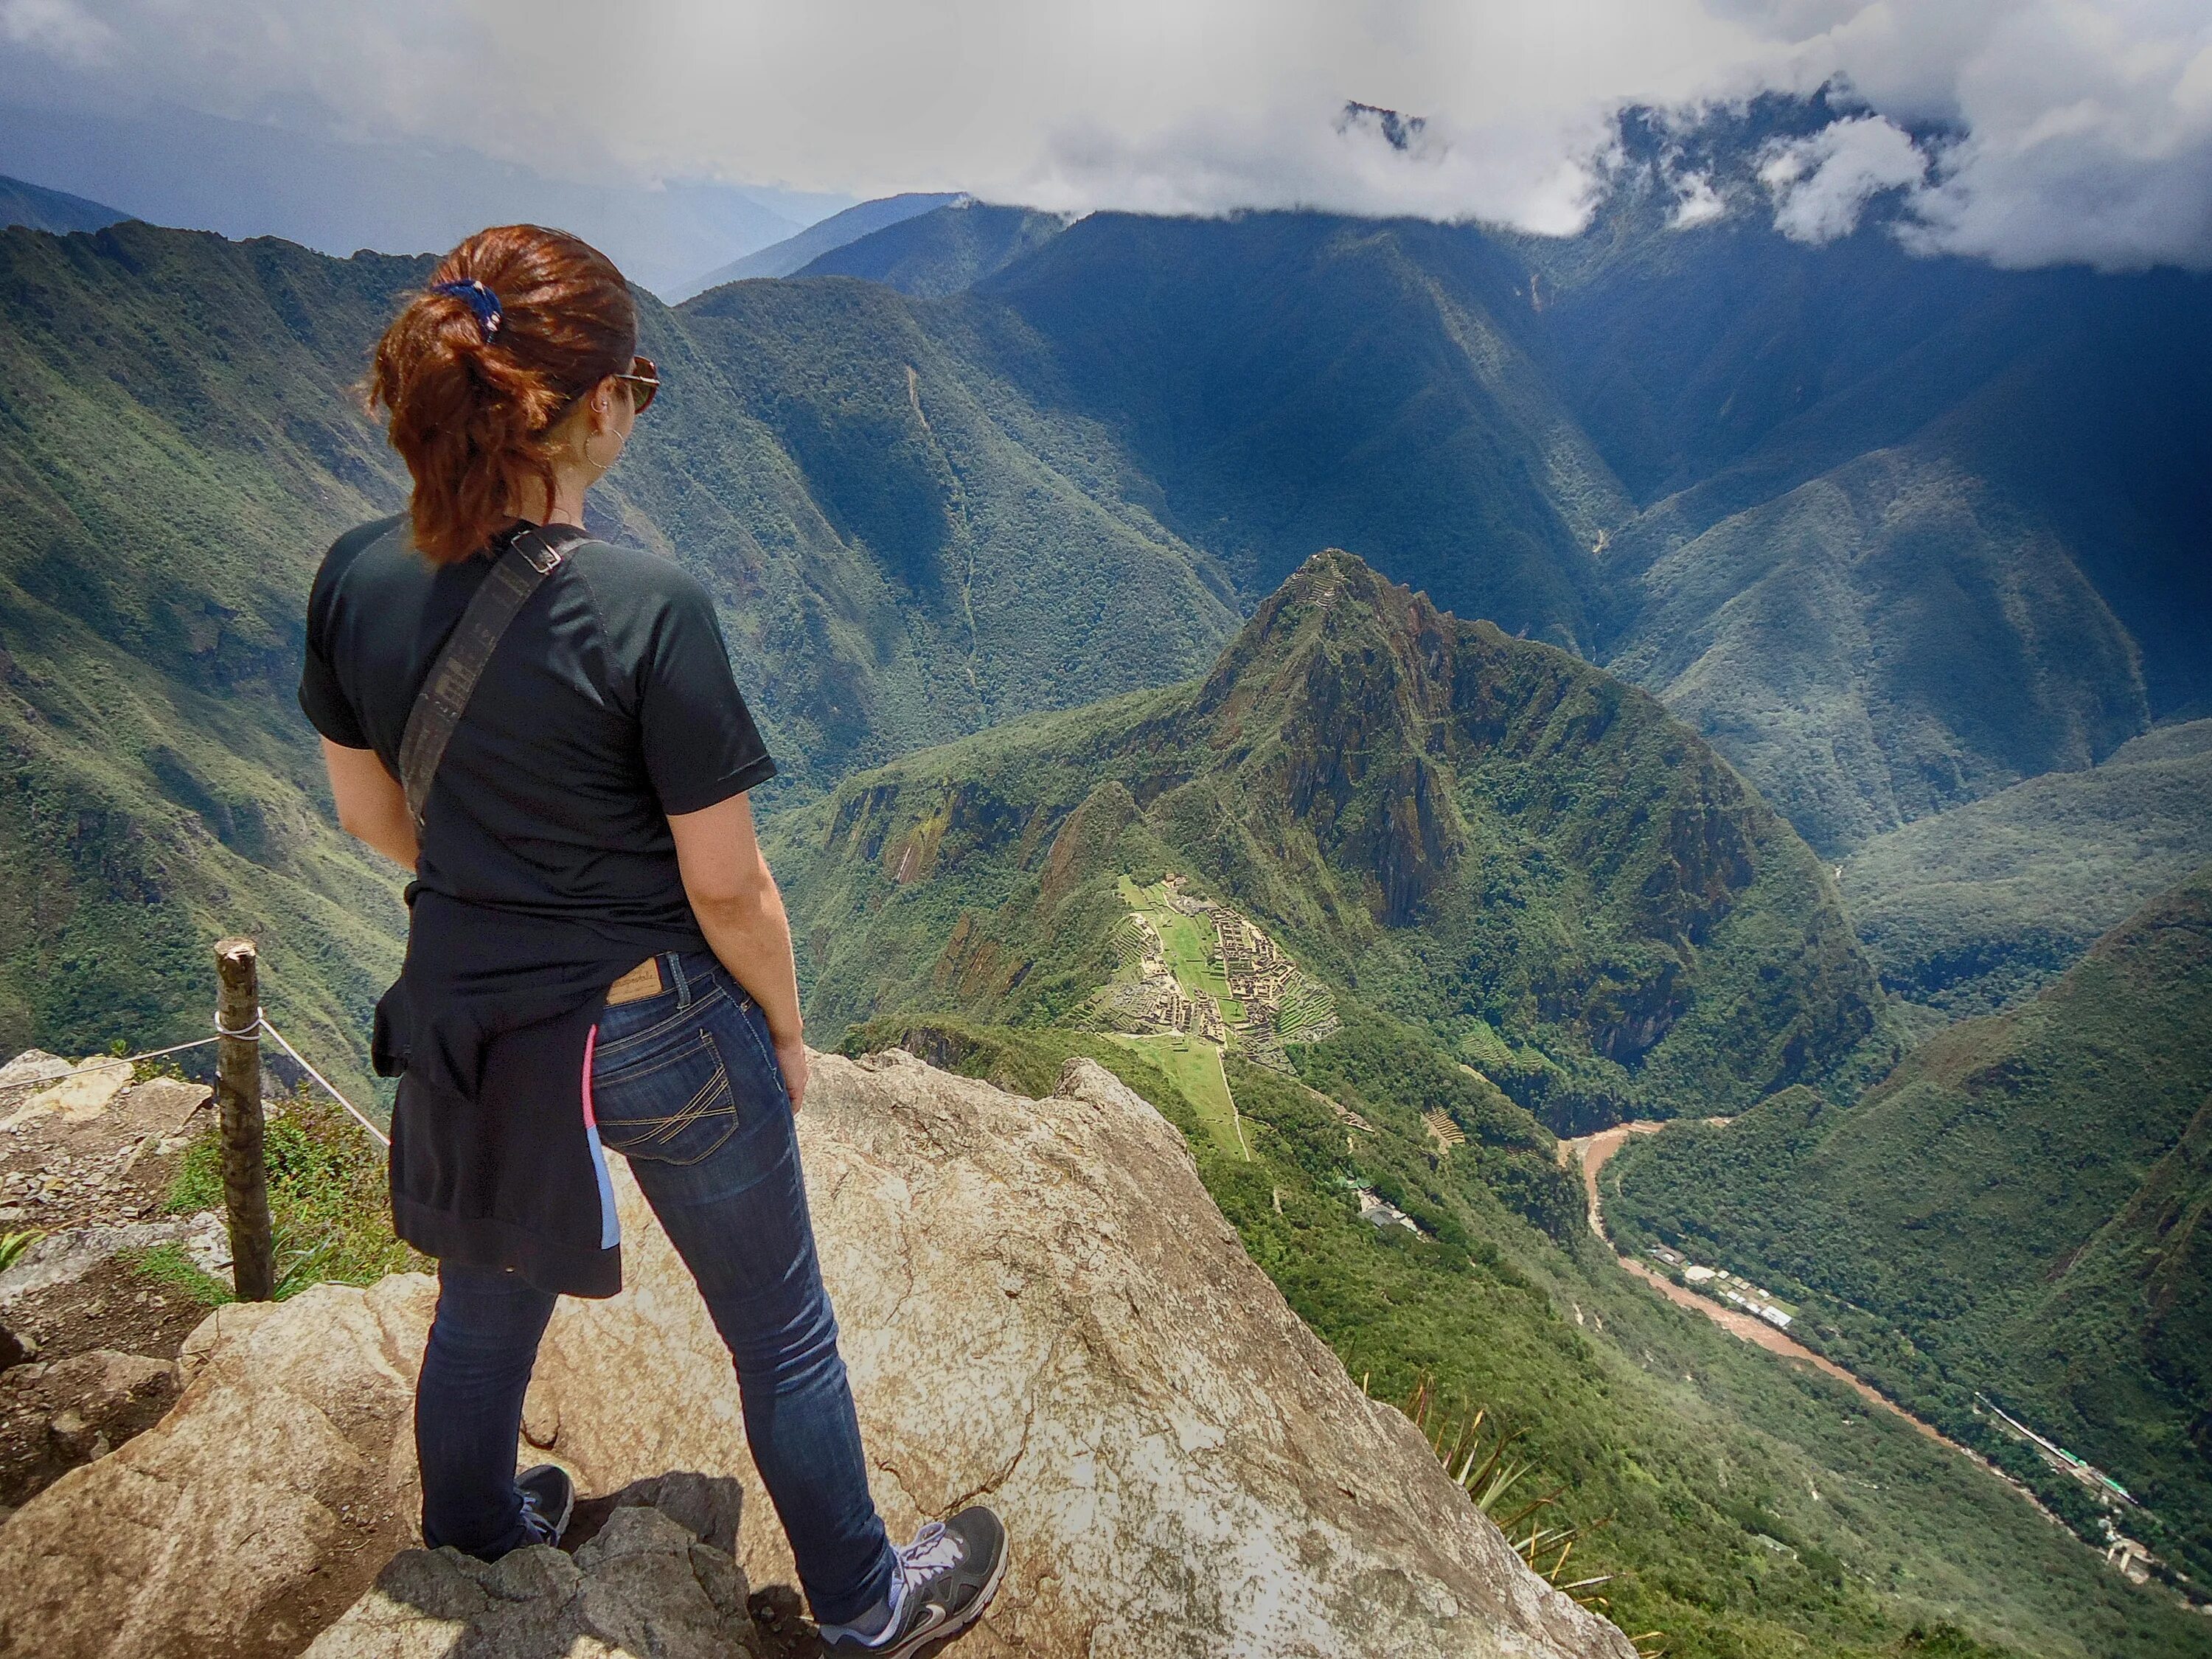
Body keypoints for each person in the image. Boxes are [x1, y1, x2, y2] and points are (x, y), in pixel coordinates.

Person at [298, 223, 1006, 1658]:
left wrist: (504, 886)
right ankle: (867, 1607)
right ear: (593, 405)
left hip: (476, 1018)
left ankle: (484, 1531)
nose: (640, 403)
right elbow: (733, 890)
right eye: (640, 382)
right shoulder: (647, 611)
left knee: (482, 1309)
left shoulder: (352, 576)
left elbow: (367, 812)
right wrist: (789, 1036)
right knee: (781, 1331)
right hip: (652, 1018)